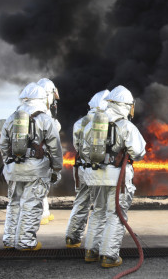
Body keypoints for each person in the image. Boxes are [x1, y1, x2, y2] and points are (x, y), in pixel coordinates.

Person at [82, 85, 146, 267]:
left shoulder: (92, 124)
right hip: (117, 178)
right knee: (116, 215)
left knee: (98, 212)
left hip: (95, 176)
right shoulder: (126, 125)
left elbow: (84, 150)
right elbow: (139, 151)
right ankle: (109, 256)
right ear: (126, 105)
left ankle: (91, 251)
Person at [0, 82, 63, 251]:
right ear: (43, 99)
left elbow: (3, 144)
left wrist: (8, 163)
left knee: (14, 203)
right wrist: (56, 168)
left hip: (13, 169)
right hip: (36, 170)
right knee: (31, 205)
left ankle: (9, 239)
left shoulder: (12, 117)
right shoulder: (45, 119)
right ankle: (26, 242)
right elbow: (55, 147)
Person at [65, 89, 110, 248]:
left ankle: (72, 237)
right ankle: (95, 245)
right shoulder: (105, 121)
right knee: (100, 208)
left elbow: (77, 146)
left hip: (81, 168)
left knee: (81, 202)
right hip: (98, 170)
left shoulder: (80, 123)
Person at [36, 78, 61, 225]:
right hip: (39, 155)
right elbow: (50, 136)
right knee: (39, 186)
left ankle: (45, 211)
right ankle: (40, 215)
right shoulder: (42, 112)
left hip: (33, 156)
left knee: (42, 185)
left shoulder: (26, 110)